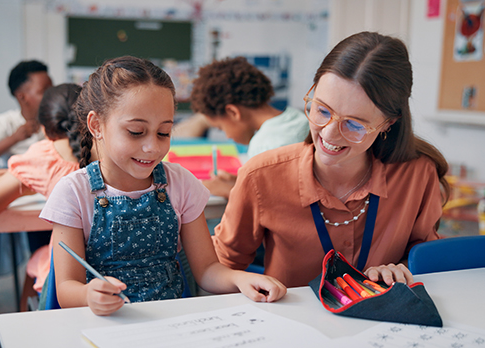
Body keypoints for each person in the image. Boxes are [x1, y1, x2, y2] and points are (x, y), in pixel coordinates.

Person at [40, 56, 286, 316]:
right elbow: (66, 290)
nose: (153, 147)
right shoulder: (74, 192)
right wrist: (89, 295)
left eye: (164, 133)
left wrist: (239, 279)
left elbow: (206, 271)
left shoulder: (179, 183)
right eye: (136, 131)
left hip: (171, 323)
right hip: (105, 325)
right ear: (96, 125)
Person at [212, 32, 450, 289]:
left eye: (354, 124)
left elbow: (424, 258)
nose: (327, 133)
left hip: (382, 322)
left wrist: (399, 268)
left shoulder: (417, 174)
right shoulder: (260, 176)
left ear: (388, 123)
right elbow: (220, 268)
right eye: (322, 110)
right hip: (290, 323)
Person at [0, 83, 83, 302]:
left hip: (69, 275)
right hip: (117, 268)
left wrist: (25, 188)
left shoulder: (43, 157)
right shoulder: (114, 151)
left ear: (44, 127)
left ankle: (31, 320)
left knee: (39, 259)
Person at [189, 57, 310, 198]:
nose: (227, 136)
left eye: (221, 128)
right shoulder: (298, 117)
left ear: (233, 113)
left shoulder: (263, 146)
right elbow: (276, 187)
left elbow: (270, 203)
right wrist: (241, 182)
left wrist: (227, 191)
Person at [0, 60, 53, 168]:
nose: (53, 95)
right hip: (13, 181)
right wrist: (15, 138)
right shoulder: (5, 122)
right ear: (22, 96)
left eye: (53, 89)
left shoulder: (57, 120)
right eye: (44, 91)